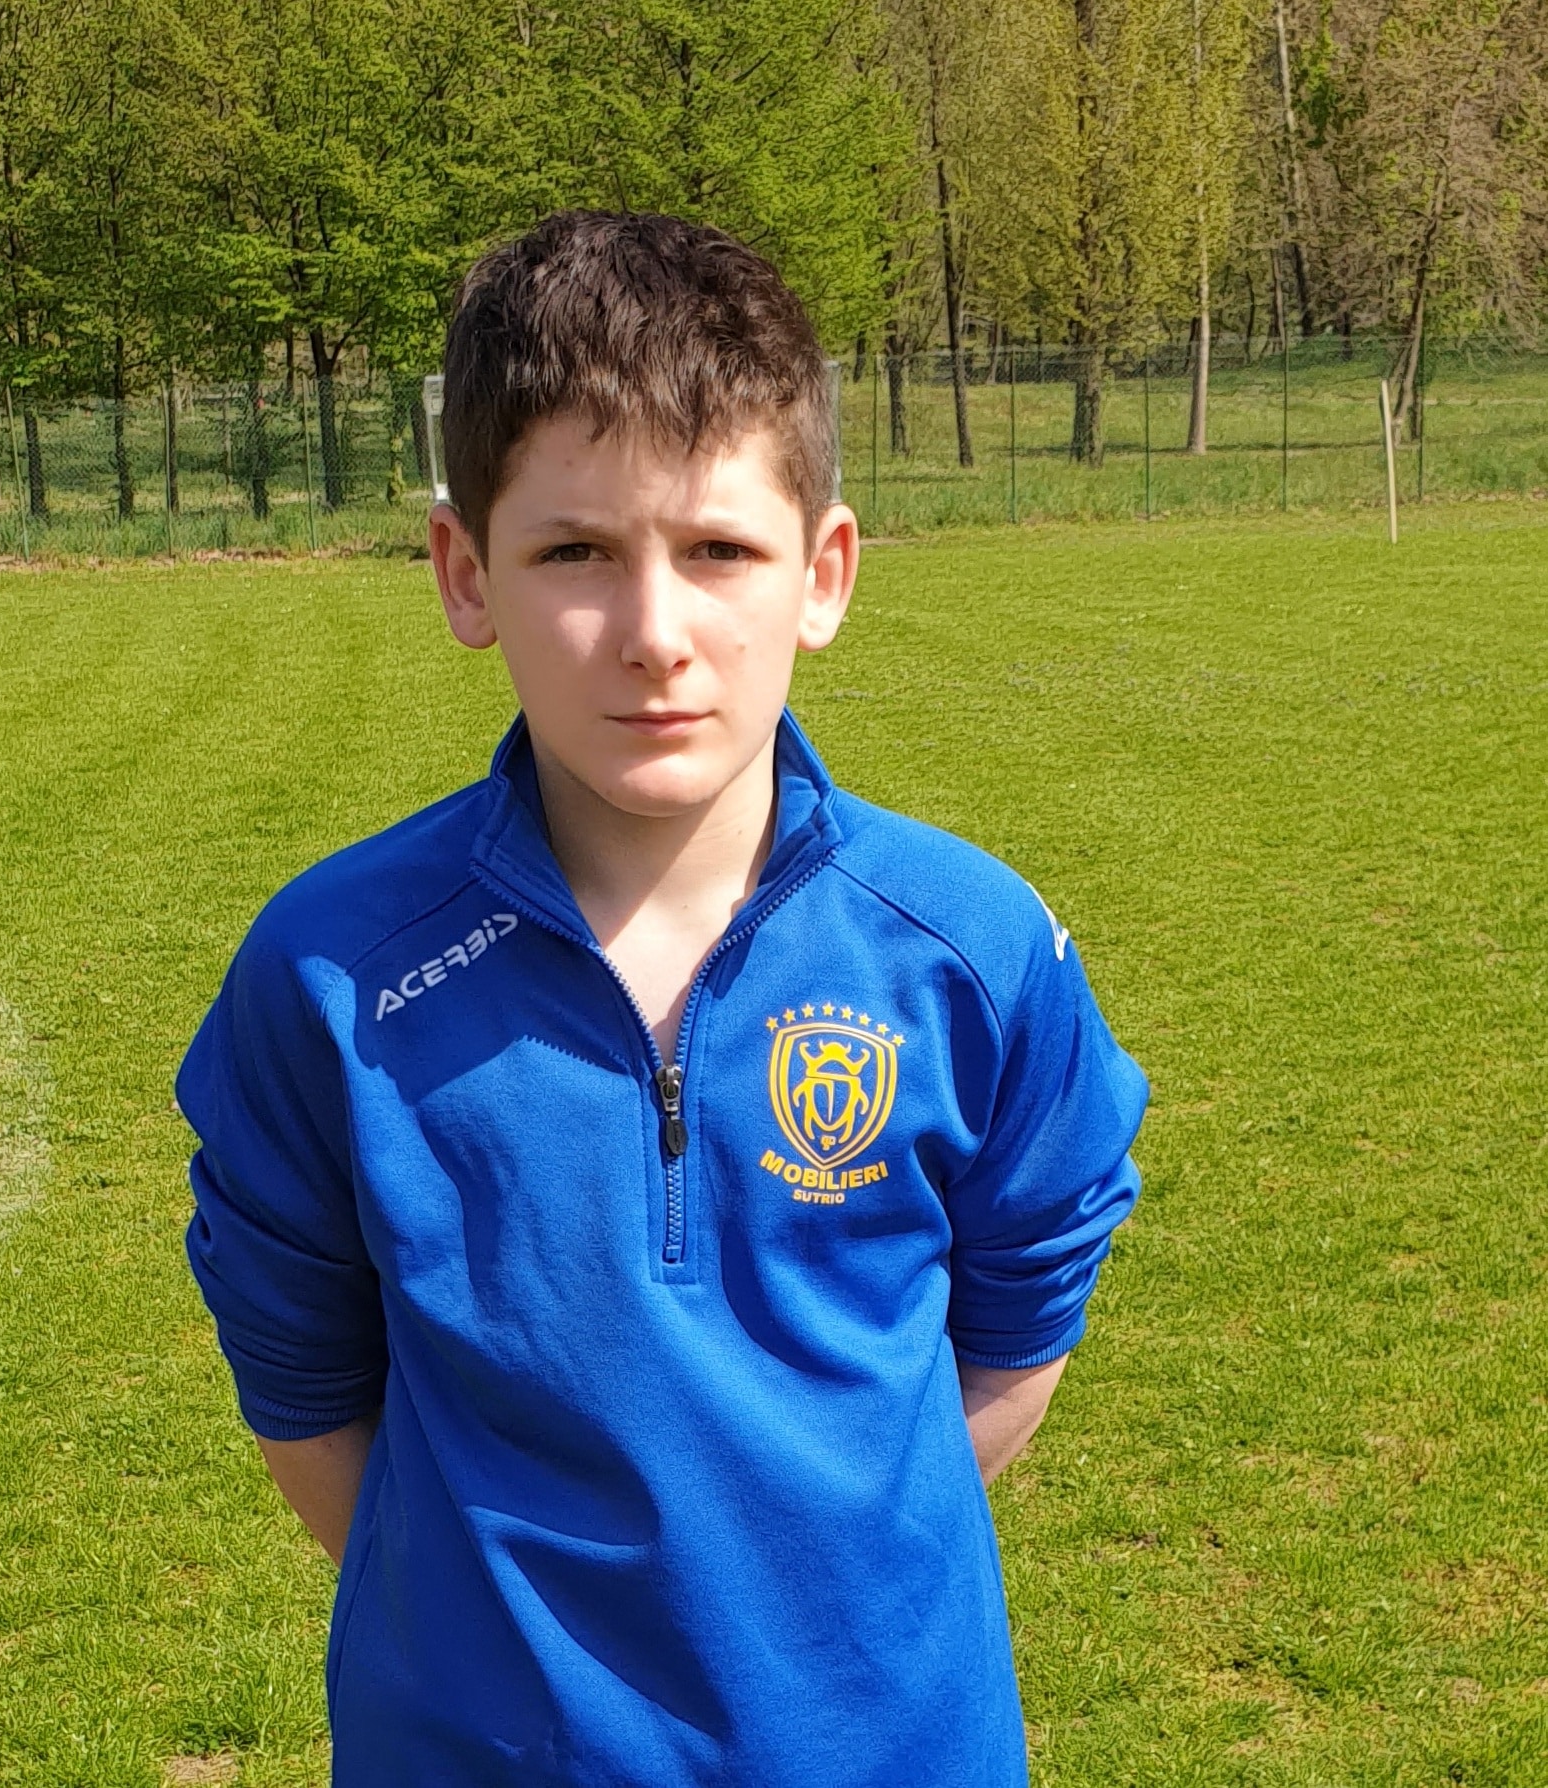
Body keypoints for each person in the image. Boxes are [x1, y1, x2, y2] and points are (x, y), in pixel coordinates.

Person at [178, 209, 1149, 1786]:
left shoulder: (971, 950)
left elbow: (1015, 1341)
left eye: (718, 552)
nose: (652, 636)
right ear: (464, 574)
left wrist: (814, 1593)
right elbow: (304, 1403)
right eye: (574, 552)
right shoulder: (331, 976)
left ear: (821, 574)